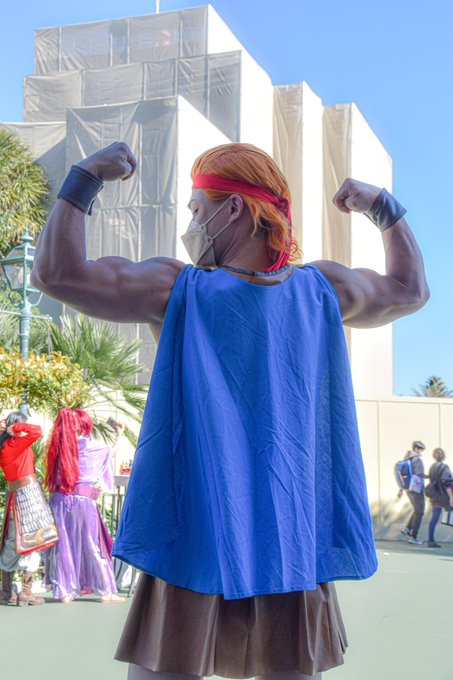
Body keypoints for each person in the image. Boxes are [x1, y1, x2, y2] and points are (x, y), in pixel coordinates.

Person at [31, 141, 429, 679]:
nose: (192, 225)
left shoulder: (177, 287)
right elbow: (409, 288)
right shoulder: (323, 290)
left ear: (233, 208)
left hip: (195, 528)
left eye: (197, 210)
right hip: (287, 534)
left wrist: (86, 177)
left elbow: (57, 274)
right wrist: (383, 209)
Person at [44, 408, 125, 604]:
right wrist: (119, 435)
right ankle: (106, 591)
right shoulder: (91, 447)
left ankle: (65, 592)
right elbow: (110, 453)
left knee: (63, 545)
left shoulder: (57, 449)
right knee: (93, 544)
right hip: (83, 502)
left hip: (59, 501)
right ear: (83, 426)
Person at [0, 411, 57, 606]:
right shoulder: (15, 443)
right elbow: (37, 431)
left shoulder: (4, 445)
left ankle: (7, 592)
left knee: (12, 542)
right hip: (28, 496)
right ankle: (25, 593)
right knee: (36, 540)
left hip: (15, 496)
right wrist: (16, 428)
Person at [399, 440, 426, 545]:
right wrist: (431, 476)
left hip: (408, 489)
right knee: (420, 512)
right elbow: (420, 474)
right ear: (416, 448)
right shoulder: (417, 460)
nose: (420, 451)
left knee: (417, 510)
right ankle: (413, 536)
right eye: (419, 449)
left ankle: (407, 529)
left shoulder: (407, 459)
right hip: (416, 489)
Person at [425, 448, 453, 547]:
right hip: (445, 497)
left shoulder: (432, 467)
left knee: (434, 518)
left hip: (435, 497)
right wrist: (451, 497)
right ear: (443, 456)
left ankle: (430, 540)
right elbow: (447, 483)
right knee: (451, 517)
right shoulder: (445, 467)